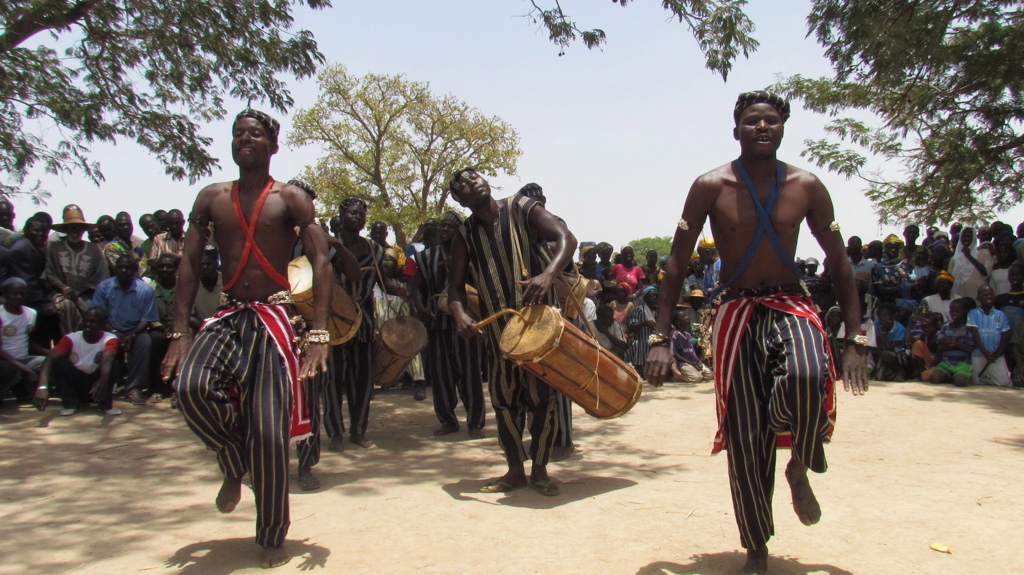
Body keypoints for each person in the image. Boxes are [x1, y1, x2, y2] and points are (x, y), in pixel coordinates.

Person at [644, 91, 867, 575]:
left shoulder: (807, 185)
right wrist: (659, 337)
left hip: (791, 302)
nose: (762, 127)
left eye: (770, 120)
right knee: (746, 437)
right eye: (751, 121)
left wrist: (856, 338)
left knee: (809, 375)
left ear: (783, 127)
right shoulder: (710, 185)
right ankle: (756, 547)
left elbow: (840, 263)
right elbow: (677, 262)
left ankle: (800, 465)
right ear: (736, 129)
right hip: (736, 310)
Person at [160, 109, 333, 569]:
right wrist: (179, 330)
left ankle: (272, 532)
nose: (245, 139)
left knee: (269, 433)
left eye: (255, 134)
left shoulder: (291, 198)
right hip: (230, 315)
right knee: (191, 388)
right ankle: (232, 458)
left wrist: (318, 331)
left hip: (274, 319)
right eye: (238, 134)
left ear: (273, 145)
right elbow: (190, 265)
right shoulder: (212, 198)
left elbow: (321, 261)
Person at [447, 167, 577, 497]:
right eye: (462, 184)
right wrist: (460, 313)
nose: (471, 182)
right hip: (499, 335)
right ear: (459, 199)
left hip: (539, 328)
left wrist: (547, 275)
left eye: (473, 176)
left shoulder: (522, 206)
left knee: (543, 398)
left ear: (485, 181)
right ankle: (515, 470)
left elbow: (567, 238)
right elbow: (456, 287)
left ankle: (541, 469)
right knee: (504, 400)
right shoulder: (465, 233)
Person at [409, 211, 486, 438]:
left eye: (450, 227)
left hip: (466, 324)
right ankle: (448, 420)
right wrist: (420, 308)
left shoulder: (472, 256)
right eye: (442, 226)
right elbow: (415, 286)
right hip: (436, 324)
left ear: (460, 231)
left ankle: (475, 423)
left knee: (470, 374)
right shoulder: (425, 257)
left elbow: (480, 285)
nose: (444, 230)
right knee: (441, 376)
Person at [331, 197, 385, 450]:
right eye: (352, 213)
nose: (357, 217)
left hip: (363, 321)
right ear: (341, 216)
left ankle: (359, 430)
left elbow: (382, 280)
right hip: (334, 321)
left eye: (361, 214)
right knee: (333, 379)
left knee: (362, 379)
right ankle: (335, 433)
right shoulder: (329, 246)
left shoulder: (375, 249)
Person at [92, 255, 157, 405]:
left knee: (145, 341)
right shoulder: (104, 287)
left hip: (136, 331)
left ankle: (134, 388)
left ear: (135, 271)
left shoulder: (145, 291)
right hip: (108, 330)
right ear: (115, 269)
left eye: (128, 268)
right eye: (120, 267)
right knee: (96, 339)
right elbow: (98, 315)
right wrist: (115, 333)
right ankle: (102, 385)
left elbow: (147, 319)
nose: (123, 271)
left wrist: (132, 335)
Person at [33, 307, 121, 416]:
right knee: (59, 362)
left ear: (103, 324)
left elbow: (108, 358)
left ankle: (105, 405)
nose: (88, 324)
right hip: (77, 385)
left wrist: (102, 380)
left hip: (97, 387)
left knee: (112, 365)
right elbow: (50, 359)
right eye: (86, 320)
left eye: (93, 321)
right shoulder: (71, 338)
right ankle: (71, 404)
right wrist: (42, 387)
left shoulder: (110, 338)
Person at [45, 205, 109, 334]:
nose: (75, 231)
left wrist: (81, 291)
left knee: (93, 312)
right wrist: (65, 288)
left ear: (83, 230)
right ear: (66, 229)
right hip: (60, 293)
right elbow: (49, 272)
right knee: (67, 305)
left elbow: (101, 275)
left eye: (78, 228)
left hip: (86, 294)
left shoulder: (94, 249)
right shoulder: (54, 247)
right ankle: (69, 341)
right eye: (71, 228)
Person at [0, 278, 48, 402]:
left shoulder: (31, 313)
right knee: (9, 369)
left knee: (47, 362)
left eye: (22, 293)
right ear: (5, 294)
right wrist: (22, 367)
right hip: (5, 361)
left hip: (24, 359)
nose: (18, 297)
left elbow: (26, 338)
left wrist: (49, 352)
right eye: (14, 293)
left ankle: (29, 391)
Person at [967, 285, 1012, 386]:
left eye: (991, 294)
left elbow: (1005, 337)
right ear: (979, 298)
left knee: (1003, 383)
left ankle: (987, 378)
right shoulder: (973, 313)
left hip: (996, 356)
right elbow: (975, 334)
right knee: (975, 382)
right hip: (979, 354)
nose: (988, 297)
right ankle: (986, 377)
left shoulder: (1000, 315)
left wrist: (997, 353)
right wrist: (985, 352)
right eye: (985, 295)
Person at [931, 298, 976, 387]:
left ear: (965, 312)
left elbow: (971, 348)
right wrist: (946, 343)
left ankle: (958, 377)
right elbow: (939, 347)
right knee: (934, 378)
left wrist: (957, 344)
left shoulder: (968, 328)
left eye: (957, 311)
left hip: (962, 363)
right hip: (946, 362)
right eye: (951, 311)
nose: (953, 314)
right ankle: (949, 376)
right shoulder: (945, 327)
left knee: (960, 381)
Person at [949, 226, 991, 301]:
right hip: (960, 298)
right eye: (964, 236)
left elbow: (986, 272)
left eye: (969, 236)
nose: (966, 238)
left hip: (978, 298)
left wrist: (969, 256)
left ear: (974, 237)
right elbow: (949, 280)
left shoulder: (984, 253)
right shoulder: (954, 259)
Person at [669, 309, 703, 383]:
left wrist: (698, 361)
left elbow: (692, 351)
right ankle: (678, 376)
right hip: (682, 363)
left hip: (692, 361)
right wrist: (691, 363)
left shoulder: (687, 335)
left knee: (710, 375)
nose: (687, 317)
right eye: (684, 316)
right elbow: (674, 354)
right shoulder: (674, 334)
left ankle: (694, 371)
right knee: (697, 378)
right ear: (678, 322)